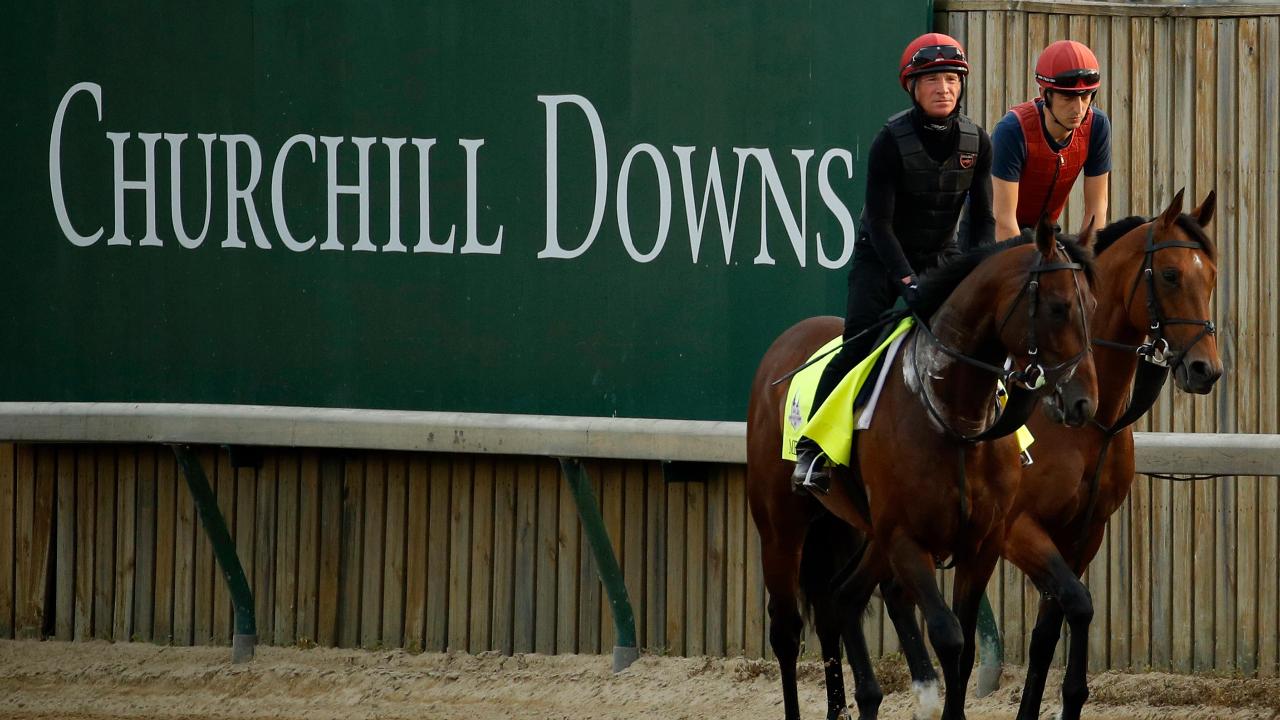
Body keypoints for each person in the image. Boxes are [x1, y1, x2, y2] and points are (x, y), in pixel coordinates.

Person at [794, 32, 996, 494]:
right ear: (912, 87)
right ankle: (812, 449)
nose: (944, 88)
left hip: (941, 258)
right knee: (858, 343)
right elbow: (880, 227)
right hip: (881, 259)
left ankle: (1011, 440)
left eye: (951, 79)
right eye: (932, 81)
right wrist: (908, 283)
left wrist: (973, 274)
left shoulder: (978, 142)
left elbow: (983, 222)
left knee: (986, 339)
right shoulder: (889, 142)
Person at [991, 39, 1111, 241]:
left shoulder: (1097, 125)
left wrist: (1086, 257)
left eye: (1085, 97)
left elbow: (1097, 208)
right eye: (1067, 98)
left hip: (1045, 232)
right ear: (1044, 94)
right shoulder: (1012, 130)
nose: (1078, 109)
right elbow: (1004, 220)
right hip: (993, 232)